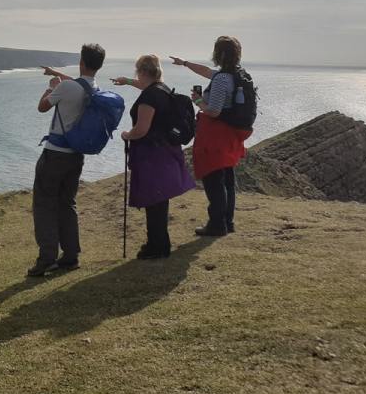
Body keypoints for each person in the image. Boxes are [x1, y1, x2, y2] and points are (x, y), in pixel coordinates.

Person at [28, 43, 106, 276]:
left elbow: (42, 107)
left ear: (82, 62)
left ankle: (47, 258)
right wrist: (57, 73)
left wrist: (50, 86)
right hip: (76, 156)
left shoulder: (66, 88)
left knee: (44, 205)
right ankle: (71, 256)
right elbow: (76, 83)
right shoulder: (94, 87)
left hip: (54, 155)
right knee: (67, 204)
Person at [113, 54, 195, 258]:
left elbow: (141, 129)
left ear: (141, 71)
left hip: (152, 153)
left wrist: (126, 134)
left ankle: (156, 246)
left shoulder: (149, 97)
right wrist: (127, 81)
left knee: (153, 199)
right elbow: (147, 87)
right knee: (160, 199)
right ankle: (160, 243)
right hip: (167, 150)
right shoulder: (163, 89)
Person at [171, 36, 252, 237]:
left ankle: (216, 224)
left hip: (217, 135)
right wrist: (185, 63)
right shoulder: (236, 74)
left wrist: (198, 101)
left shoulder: (222, 79)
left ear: (220, 54)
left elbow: (214, 111)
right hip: (230, 135)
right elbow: (207, 72)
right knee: (227, 180)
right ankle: (227, 221)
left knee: (214, 180)